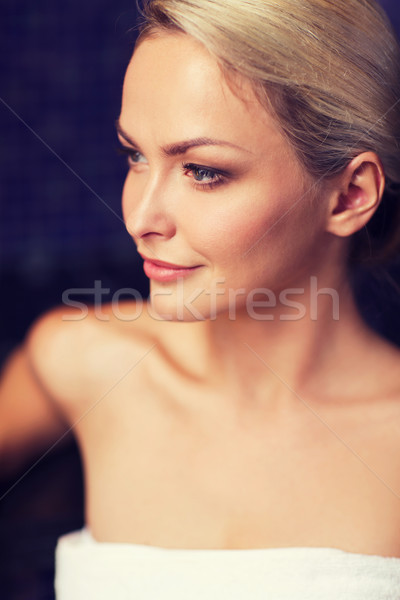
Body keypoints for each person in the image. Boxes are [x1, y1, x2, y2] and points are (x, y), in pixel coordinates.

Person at [1, 0, 400, 597]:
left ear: (348, 196)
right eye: (135, 155)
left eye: (203, 171)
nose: (138, 217)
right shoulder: (83, 361)